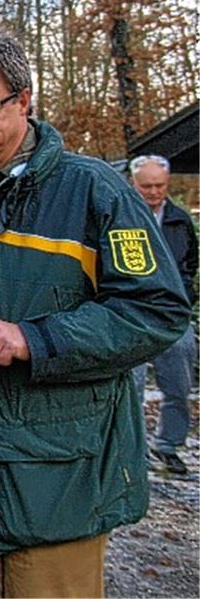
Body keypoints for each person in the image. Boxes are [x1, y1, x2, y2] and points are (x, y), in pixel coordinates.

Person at [0, 26, 191, 598]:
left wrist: (34, 339)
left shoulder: (93, 191)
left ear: (25, 100)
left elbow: (156, 308)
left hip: (55, 482)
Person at [129, 154, 198, 475]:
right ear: (134, 184)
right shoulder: (122, 214)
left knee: (178, 384)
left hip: (172, 311)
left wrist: (182, 295)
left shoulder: (179, 219)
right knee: (133, 385)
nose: (154, 192)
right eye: (147, 186)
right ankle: (135, 453)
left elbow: (189, 262)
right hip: (130, 312)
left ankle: (169, 445)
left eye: (160, 186)